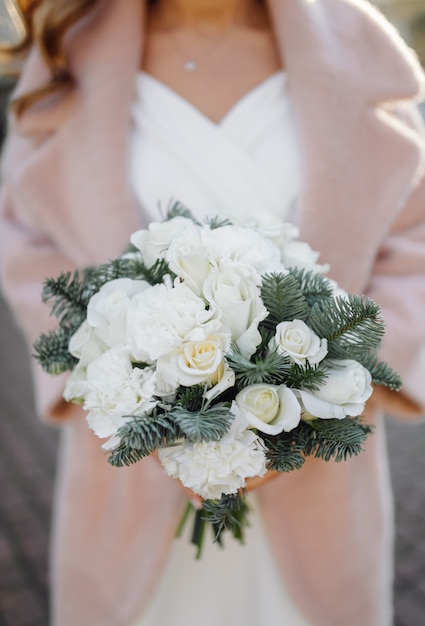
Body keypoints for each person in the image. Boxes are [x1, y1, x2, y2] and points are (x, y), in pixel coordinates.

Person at [1, 0, 425, 624]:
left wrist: (311, 406)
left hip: (316, 482)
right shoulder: (73, 52)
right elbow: (25, 239)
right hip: (132, 477)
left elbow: (412, 245)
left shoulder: (357, 46)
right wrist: (124, 388)